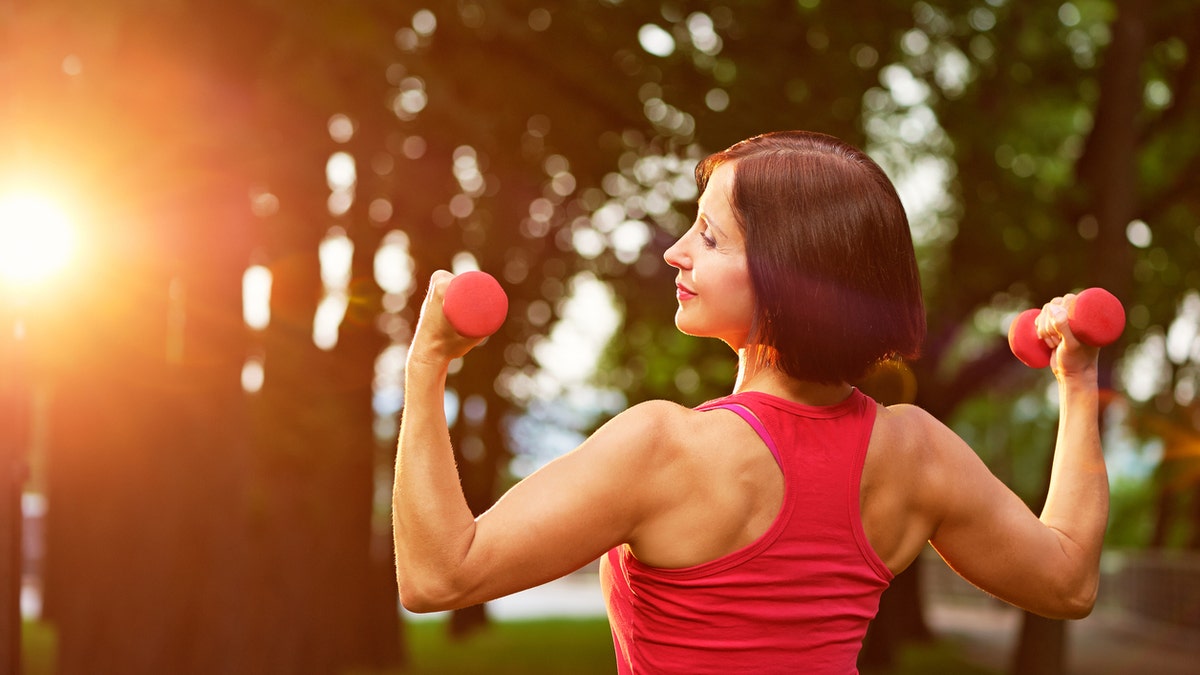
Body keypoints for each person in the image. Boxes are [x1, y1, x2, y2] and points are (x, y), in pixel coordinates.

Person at [392, 131, 1109, 674]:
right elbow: (1069, 580)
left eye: (708, 234)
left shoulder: (663, 448)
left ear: (784, 275)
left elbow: (438, 573)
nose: (677, 251)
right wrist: (1077, 382)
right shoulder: (915, 451)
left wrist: (426, 364)